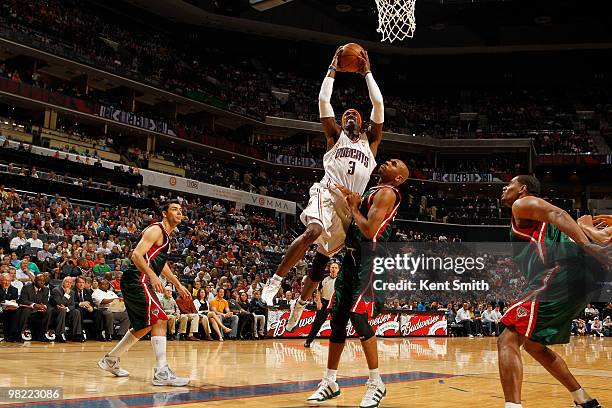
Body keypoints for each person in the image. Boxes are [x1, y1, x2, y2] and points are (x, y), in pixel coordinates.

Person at [262, 45, 384, 334]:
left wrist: (366, 72)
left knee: (320, 265)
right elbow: (323, 99)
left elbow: (378, 104)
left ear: (363, 122)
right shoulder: (333, 137)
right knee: (313, 231)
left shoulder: (372, 142)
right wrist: (332, 67)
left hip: (350, 207)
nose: (349, 115)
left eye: (354, 113)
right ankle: (275, 281)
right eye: (345, 115)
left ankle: (300, 304)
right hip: (327, 192)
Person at [306, 158, 408, 408]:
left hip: (371, 259)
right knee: (338, 319)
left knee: (359, 317)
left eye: (394, 163)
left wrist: (352, 208)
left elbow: (370, 230)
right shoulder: (373, 190)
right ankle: (330, 381)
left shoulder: (387, 193)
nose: (388, 161)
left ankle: (376, 383)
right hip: (352, 258)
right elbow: (350, 195)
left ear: (398, 178)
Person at [498, 175, 605, 408]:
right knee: (534, 346)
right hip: (582, 281)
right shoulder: (560, 223)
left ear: (523, 189)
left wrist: (589, 246)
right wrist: (588, 231)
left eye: (510, 185)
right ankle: (584, 399)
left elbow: (558, 214)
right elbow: (597, 234)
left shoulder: (523, 203)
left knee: (507, 337)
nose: (505, 188)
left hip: (559, 274)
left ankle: (512, 406)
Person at [97, 200, 190, 386]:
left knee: (145, 325)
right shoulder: (156, 230)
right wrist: (152, 277)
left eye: (180, 210)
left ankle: (111, 359)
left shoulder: (167, 237)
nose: (179, 212)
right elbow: (136, 255)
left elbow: (161, 264)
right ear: (164, 213)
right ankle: (162, 372)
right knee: (160, 319)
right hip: (137, 279)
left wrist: (177, 284)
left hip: (139, 280)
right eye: (174, 209)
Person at [304, 262, 338, 348]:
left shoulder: (341, 279)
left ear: (338, 269)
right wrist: (318, 302)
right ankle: (308, 341)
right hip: (324, 302)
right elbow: (318, 290)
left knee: (336, 325)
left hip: (335, 303)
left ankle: (335, 343)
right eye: (332, 267)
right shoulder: (324, 277)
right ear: (329, 268)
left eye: (335, 268)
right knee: (317, 324)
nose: (333, 269)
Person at [48, 277, 83, 342]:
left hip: (65, 311)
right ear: (63, 282)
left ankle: (76, 335)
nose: (69, 284)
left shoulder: (71, 292)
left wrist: (67, 308)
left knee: (76, 311)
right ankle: (59, 334)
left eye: (70, 283)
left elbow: (73, 305)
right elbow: (60, 303)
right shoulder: (56, 290)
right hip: (55, 312)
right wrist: (66, 294)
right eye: (67, 282)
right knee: (62, 310)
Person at [0, 272, 19, 342]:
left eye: (8, 281)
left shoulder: (14, 290)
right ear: (0, 280)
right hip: (1, 309)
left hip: (9, 309)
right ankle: (6, 336)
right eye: (5, 280)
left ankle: (12, 335)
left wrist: (14, 302)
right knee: (5, 312)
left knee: (15, 312)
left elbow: (16, 301)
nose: (6, 282)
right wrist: (3, 307)